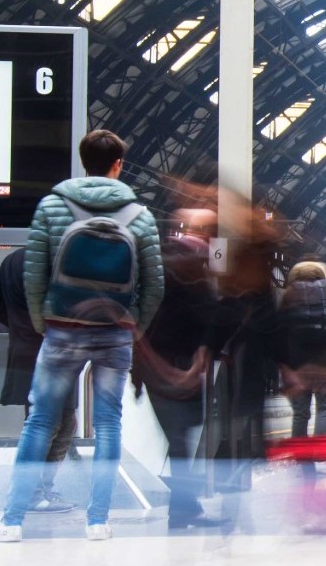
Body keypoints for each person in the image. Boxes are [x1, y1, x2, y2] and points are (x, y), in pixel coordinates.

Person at [0, 130, 164, 543]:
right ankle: (98, 521)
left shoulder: (53, 205)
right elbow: (154, 284)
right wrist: (132, 323)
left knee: (40, 421)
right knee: (108, 423)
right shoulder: (140, 216)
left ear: (83, 161)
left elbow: (35, 273)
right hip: (114, 331)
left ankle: (12, 521)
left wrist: (42, 321)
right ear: (118, 164)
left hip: (62, 330)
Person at [133, 215, 227, 530]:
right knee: (181, 436)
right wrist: (205, 350)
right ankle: (183, 508)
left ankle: (185, 506)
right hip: (179, 365)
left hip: (158, 365)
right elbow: (212, 318)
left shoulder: (157, 272)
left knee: (180, 437)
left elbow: (141, 316)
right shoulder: (196, 276)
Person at [0, 248, 76, 513]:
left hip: (28, 350)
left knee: (57, 423)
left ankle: (39, 490)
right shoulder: (58, 261)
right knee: (50, 424)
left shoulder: (14, 259)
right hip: (55, 352)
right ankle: (33, 492)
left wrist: (16, 324)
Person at [278, 260, 326, 479]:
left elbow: (279, 330)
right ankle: (322, 460)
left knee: (300, 414)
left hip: (297, 365)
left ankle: (302, 463)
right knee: (325, 410)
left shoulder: (287, 296)